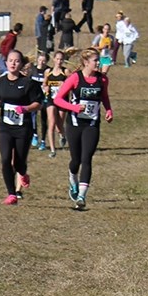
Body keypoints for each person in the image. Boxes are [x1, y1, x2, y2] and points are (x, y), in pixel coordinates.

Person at [53, 48, 113, 209]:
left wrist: (108, 110)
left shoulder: (103, 80)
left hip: (92, 124)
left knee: (87, 159)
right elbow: (58, 99)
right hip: (74, 124)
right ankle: (73, 177)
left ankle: (81, 196)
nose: (98, 63)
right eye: (95, 60)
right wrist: (73, 108)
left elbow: (104, 97)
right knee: (76, 160)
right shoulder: (75, 78)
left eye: (98, 60)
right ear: (86, 62)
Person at [0, 50, 44, 205]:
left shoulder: (28, 83)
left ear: (21, 64)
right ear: (6, 63)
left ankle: (23, 173)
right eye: (10, 60)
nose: (13, 63)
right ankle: (11, 194)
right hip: (5, 127)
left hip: (23, 128)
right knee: (6, 159)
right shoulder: (0, 82)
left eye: (16, 61)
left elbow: (39, 103)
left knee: (19, 162)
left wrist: (26, 109)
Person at [43, 51, 68, 158]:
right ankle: (53, 150)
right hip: (51, 99)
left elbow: (73, 83)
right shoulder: (48, 71)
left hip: (62, 100)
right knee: (51, 123)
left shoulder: (65, 71)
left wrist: (65, 84)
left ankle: (62, 135)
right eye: (57, 59)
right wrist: (45, 87)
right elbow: (44, 83)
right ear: (54, 59)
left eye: (61, 59)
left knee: (59, 125)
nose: (59, 61)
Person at [29, 51, 50, 151]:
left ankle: (43, 141)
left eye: (44, 61)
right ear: (37, 60)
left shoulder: (48, 71)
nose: (41, 62)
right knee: (32, 116)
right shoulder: (32, 69)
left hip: (45, 98)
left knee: (43, 119)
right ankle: (34, 134)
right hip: (34, 98)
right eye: (40, 60)